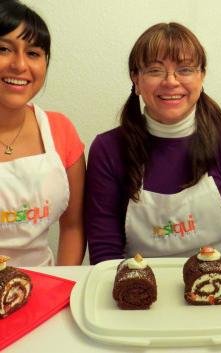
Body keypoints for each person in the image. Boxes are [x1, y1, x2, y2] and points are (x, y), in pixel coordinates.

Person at [85, 22, 221, 264]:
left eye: (184, 70)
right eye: (155, 70)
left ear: (202, 75)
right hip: (136, 289)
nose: (171, 81)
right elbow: (105, 255)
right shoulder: (108, 149)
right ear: (136, 78)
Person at [0, 0, 85, 266]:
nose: (19, 65)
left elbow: (73, 227)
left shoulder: (60, 130)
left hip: (42, 289)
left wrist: (61, 288)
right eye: (4, 49)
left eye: (34, 53)